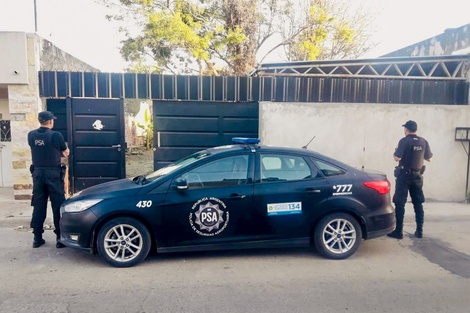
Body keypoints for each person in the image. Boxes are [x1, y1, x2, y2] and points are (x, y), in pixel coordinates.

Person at [28, 111, 70, 248]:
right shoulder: (56, 135)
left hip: (38, 173)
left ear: (40, 121)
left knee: (38, 205)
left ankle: (37, 238)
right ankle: (59, 238)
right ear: (51, 121)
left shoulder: (31, 135)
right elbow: (65, 152)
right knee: (57, 205)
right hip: (53, 173)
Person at [387, 120, 432, 239]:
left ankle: (398, 231)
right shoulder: (423, 141)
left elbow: (397, 158)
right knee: (418, 203)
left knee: (400, 202)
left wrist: (395, 152)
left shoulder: (404, 141)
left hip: (404, 176)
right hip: (417, 176)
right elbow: (430, 158)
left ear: (406, 129)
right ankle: (419, 231)